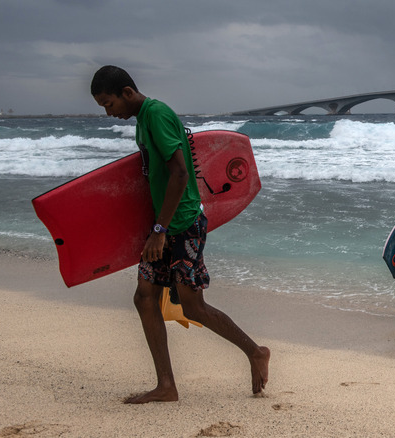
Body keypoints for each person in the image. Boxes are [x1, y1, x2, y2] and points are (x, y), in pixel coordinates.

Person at [90, 65, 269, 403]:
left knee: (192, 306)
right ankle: (166, 386)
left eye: (108, 103)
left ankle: (255, 351)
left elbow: (180, 173)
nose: (108, 112)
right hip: (163, 223)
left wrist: (160, 231)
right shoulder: (143, 119)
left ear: (127, 93)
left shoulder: (155, 114)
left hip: (181, 224)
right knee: (145, 298)